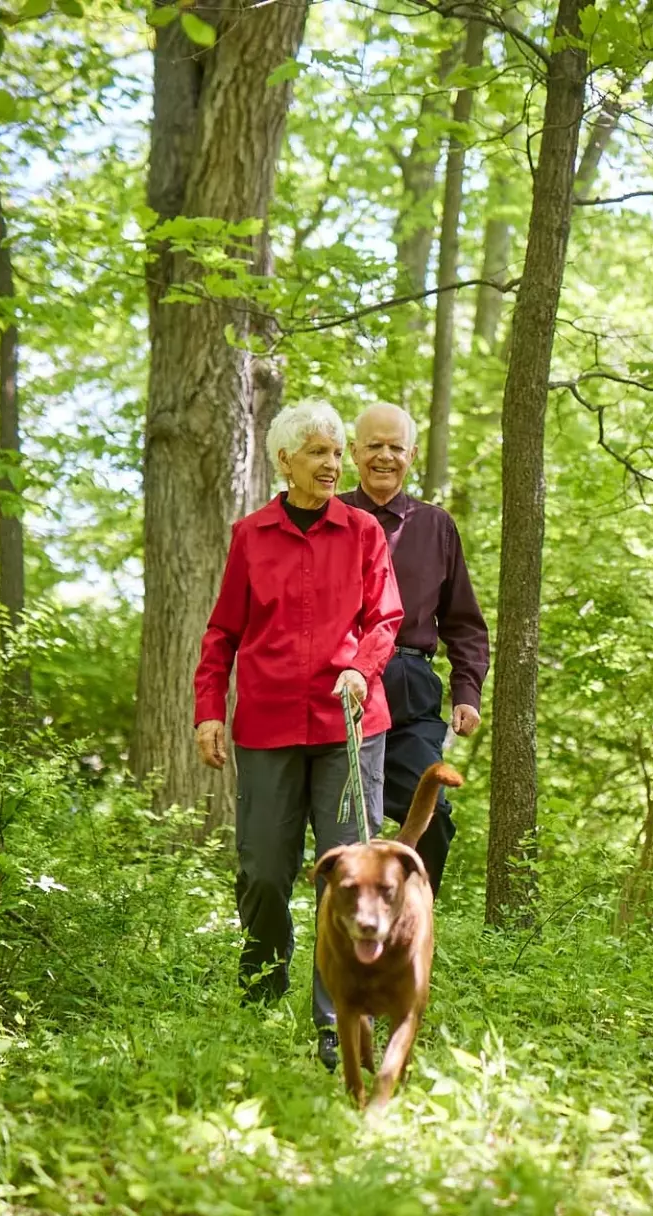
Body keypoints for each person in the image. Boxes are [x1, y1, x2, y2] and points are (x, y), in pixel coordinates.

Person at [193, 400, 403, 1071]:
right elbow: (223, 631)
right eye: (318, 452)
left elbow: (385, 618)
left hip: (349, 727)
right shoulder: (251, 536)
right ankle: (263, 980)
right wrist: (208, 709)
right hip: (268, 723)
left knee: (343, 875)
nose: (333, 464)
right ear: (285, 460)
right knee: (262, 870)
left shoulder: (364, 532)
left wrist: (360, 671)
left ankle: (333, 1017)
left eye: (337, 452)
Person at [339, 403, 489, 894]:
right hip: (340, 688)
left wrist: (467, 692)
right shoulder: (328, 517)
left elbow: (464, 622)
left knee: (434, 818)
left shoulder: (435, 526)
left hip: (409, 690)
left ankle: (406, 925)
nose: (385, 456)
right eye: (374, 445)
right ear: (354, 451)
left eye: (396, 447)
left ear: (413, 455)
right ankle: (342, 933)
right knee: (342, 824)